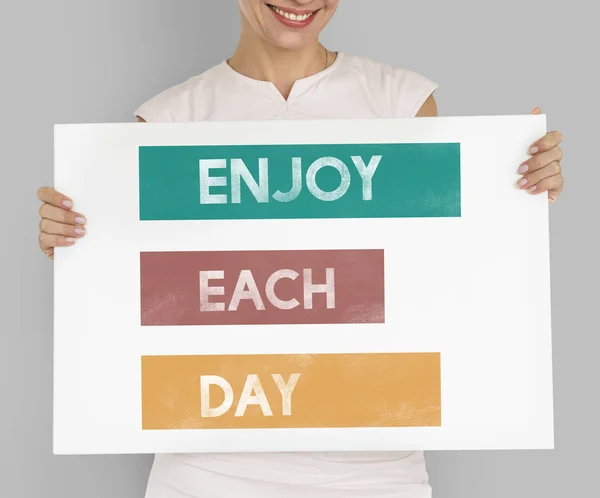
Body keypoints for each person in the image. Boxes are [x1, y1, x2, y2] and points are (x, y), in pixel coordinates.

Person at [35, 1, 565, 496]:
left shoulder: (399, 101)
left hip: (376, 470)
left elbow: (440, 272)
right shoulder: (169, 119)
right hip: (208, 470)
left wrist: (514, 194)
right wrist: (80, 251)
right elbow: (148, 300)